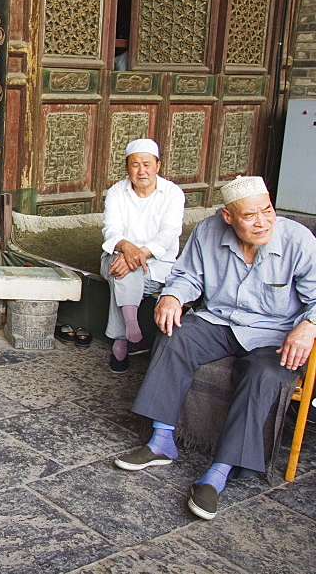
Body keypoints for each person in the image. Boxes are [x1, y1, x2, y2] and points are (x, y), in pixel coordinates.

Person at [114, 176, 316, 521]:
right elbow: (188, 275)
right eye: (250, 216)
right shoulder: (208, 231)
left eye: (267, 211)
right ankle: (162, 441)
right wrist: (172, 296)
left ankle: (218, 473)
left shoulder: (297, 240)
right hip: (221, 320)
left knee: (264, 373)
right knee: (174, 335)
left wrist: (309, 325)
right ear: (228, 217)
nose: (262, 222)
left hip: (274, 333)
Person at [100, 138, 185, 373]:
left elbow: (169, 234)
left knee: (124, 271)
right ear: (127, 167)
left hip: (158, 264)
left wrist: (137, 255)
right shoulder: (117, 191)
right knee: (120, 268)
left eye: (147, 164)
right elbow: (111, 230)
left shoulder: (172, 193)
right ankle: (133, 331)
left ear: (157, 166)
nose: (141, 170)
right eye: (135, 164)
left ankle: (121, 340)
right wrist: (127, 247)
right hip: (117, 256)